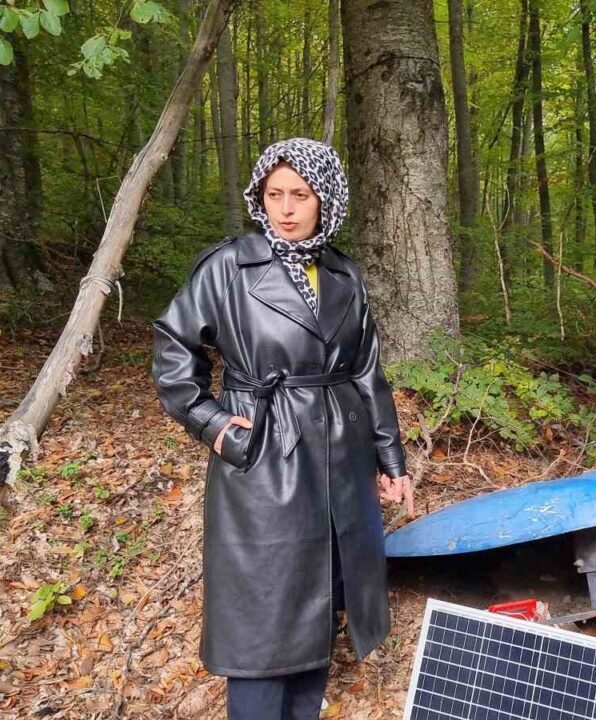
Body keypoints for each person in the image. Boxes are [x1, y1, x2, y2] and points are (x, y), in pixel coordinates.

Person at [150, 137, 414, 720]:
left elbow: (367, 372)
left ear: (326, 199)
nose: (287, 209)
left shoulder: (344, 273)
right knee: (264, 614)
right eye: (275, 195)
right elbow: (173, 349)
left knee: (320, 602)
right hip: (264, 453)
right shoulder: (229, 266)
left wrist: (390, 460)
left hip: (341, 457)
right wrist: (215, 425)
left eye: (301, 194)